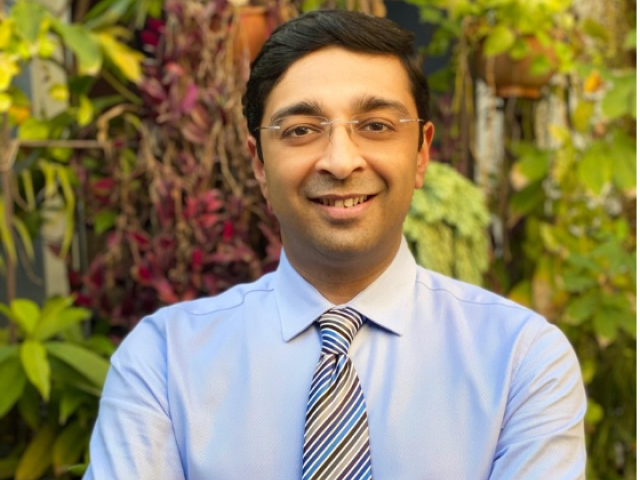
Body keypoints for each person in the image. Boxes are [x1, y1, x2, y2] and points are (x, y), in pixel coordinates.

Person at [83, 10, 586, 480]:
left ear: (421, 153)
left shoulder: (520, 361)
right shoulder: (164, 361)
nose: (341, 162)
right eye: (301, 130)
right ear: (259, 164)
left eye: (376, 126)